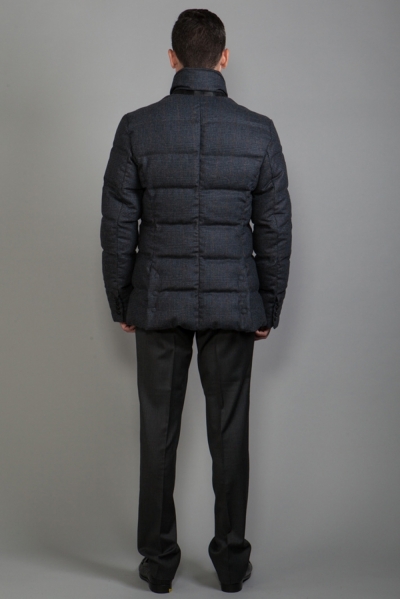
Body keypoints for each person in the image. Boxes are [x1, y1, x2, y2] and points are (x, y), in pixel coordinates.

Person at [100, 8, 292, 594]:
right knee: (229, 434)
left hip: (158, 300)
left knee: (157, 433)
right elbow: (275, 229)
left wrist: (123, 301)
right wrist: (268, 304)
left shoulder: (137, 128)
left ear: (173, 58)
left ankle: (159, 566)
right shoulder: (259, 131)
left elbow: (117, 226)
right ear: (224, 58)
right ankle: (231, 565)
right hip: (234, 307)